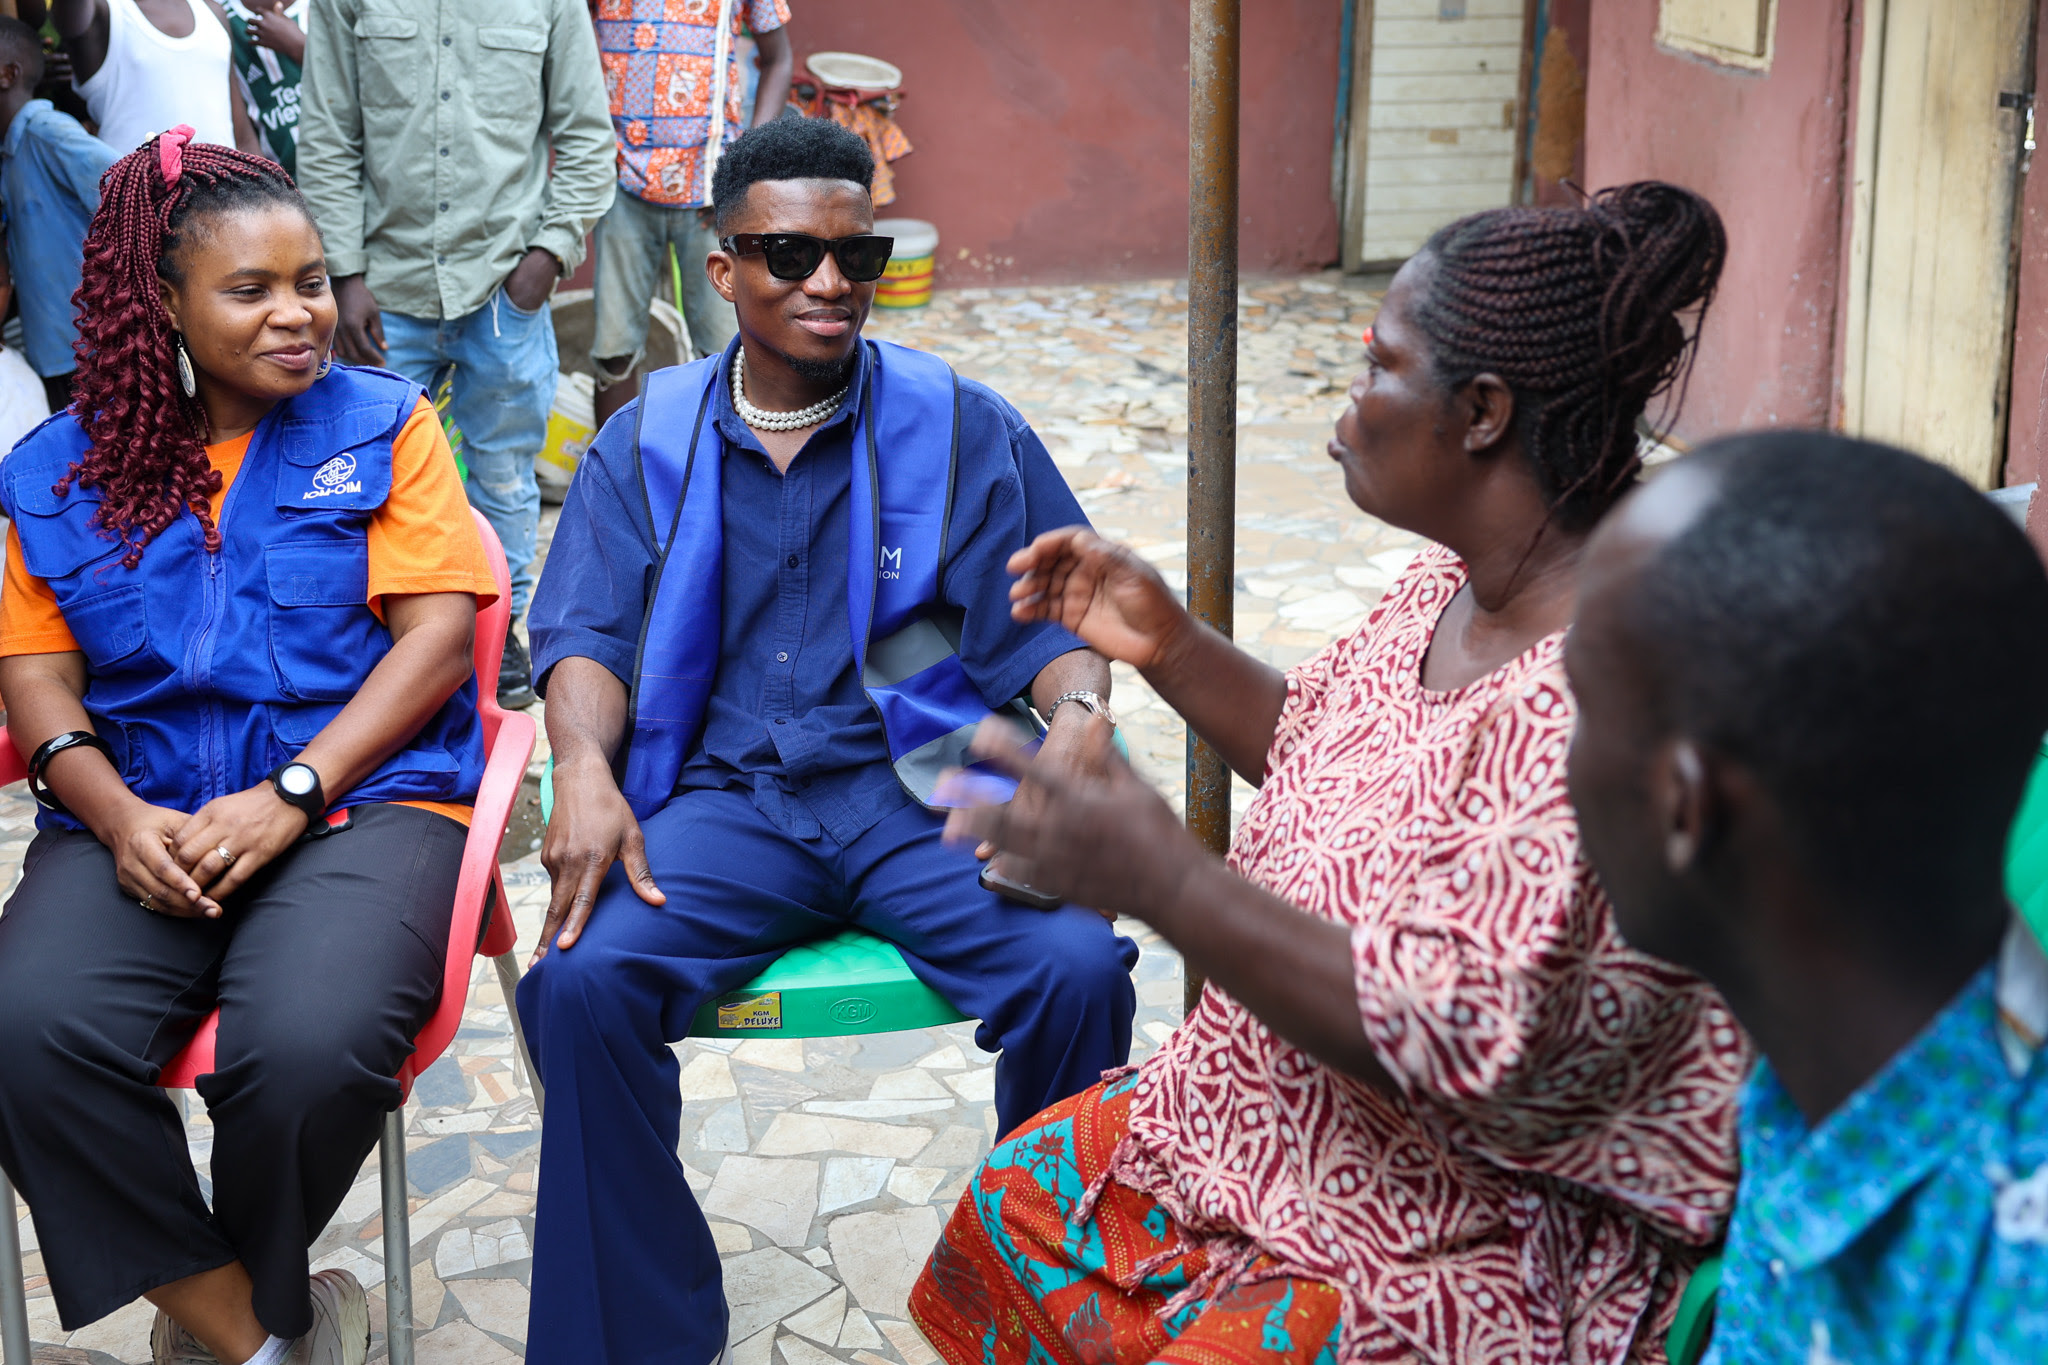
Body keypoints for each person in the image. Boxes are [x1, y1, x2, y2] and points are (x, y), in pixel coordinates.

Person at [913, 182, 1751, 1365]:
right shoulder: (1458, 587)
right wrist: (1171, 645)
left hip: (1447, 1228)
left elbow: (1457, 1036)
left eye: (1375, 368)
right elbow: (1324, 751)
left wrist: (1163, 878)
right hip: (1269, 1127)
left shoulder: (1614, 692)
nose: (1343, 406)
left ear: (1480, 413)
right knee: (1012, 1203)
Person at [516, 116, 1138, 1365]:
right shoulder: (646, 438)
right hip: (724, 798)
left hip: (919, 785)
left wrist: (1079, 716)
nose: (827, 283)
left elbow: (1056, 622)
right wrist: (581, 765)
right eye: (788, 254)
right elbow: (585, 633)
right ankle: (639, 1332)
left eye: (856, 257)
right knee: (579, 986)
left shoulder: (954, 425)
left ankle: (1036, 1305)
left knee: (1076, 971)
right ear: (723, 264)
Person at [0, 130, 497, 1365]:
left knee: (309, 1049)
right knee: (22, 1029)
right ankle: (260, 1336)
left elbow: (438, 639)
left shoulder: (385, 423)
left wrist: (293, 790)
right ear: (161, 302)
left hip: (366, 804)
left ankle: (236, 1314)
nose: (299, 314)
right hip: (145, 813)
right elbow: (37, 674)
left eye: (312, 282)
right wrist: (118, 817)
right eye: (252, 289)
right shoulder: (57, 470)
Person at [1564, 432, 2048, 1364]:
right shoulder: (1825, 1072)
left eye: (1582, 706)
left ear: (1685, 808)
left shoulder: (2014, 1296)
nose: (1559, 761)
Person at [299, 0, 616, 709]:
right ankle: (373, 643)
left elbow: (588, 138)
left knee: (503, 477)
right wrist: (344, 274)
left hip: (504, 287)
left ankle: (499, 636)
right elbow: (327, 133)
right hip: (382, 291)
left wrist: (547, 257)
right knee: (362, 477)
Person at [587, 0, 795, 428]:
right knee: (614, 349)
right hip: (622, 186)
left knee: (727, 348)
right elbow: (566, 33)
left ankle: (727, 460)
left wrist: (744, 166)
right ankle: (616, 464)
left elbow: (778, 59)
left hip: (711, 194)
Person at [0, 15, 114, 413]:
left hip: (95, 352)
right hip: (55, 354)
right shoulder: (11, 152)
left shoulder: (47, 133)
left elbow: (126, 190)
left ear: (7, 74)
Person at [48, 0, 256, 155]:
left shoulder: (213, 12)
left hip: (223, 196)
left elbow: (242, 135)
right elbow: (68, 19)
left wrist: (268, 192)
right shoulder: (104, 12)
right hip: (138, 200)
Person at [223, 0, 303, 177]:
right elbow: (241, 135)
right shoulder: (221, 20)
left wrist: (301, 47)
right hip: (280, 183)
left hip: (345, 171)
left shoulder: (326, 8)